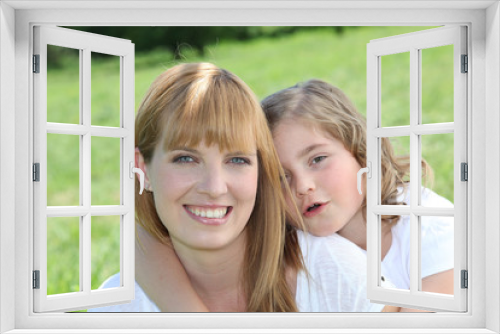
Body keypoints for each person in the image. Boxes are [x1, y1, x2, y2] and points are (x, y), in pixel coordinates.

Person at [88, 64, 384, 313]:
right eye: (186, 158)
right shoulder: (115, 309)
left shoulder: (333, 271)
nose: (215, 188)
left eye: (237, 159)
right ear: (142, 169)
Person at [261, 79, 455, 311]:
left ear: (361, 152)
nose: (302, 186)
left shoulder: (428, 224)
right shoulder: (295, 255)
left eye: (318, 159)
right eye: (281, 177)